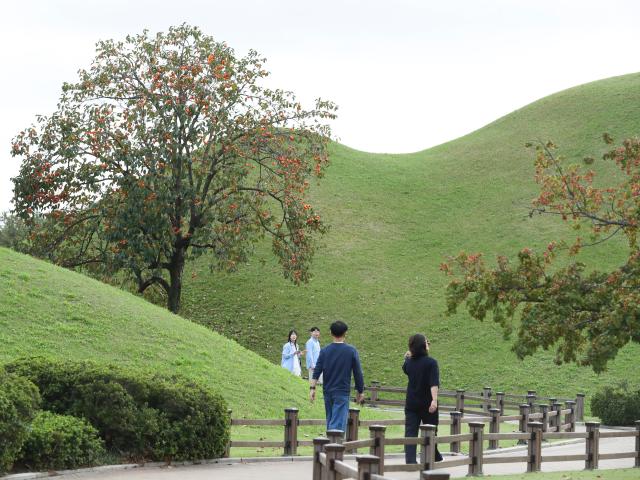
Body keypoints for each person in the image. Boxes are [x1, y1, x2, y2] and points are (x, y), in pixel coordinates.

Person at [309, 321, 365, 432]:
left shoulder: (325, 351)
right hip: (342, 392)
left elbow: (317, 371)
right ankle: (333, 447)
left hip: (327, 391)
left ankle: (330, 446)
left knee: (330, 421)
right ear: (345, 333)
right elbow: (358, 372)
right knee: (337, 426)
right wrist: (360, 391)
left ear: (331, 333)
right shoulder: (351, 351)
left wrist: (312, 388)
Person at [402, 333, 443, 464]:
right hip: (428, 404)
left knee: (410, 432)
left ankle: (410, 461)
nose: (428, 343)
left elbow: (406, 368)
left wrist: (408, 356)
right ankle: (431, 457)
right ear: (423, 345)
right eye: (427, 342)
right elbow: (434, 383)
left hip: (411, 403)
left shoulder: (409, 363)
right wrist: (434, 400)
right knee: (431, 431)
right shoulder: (431, 363)